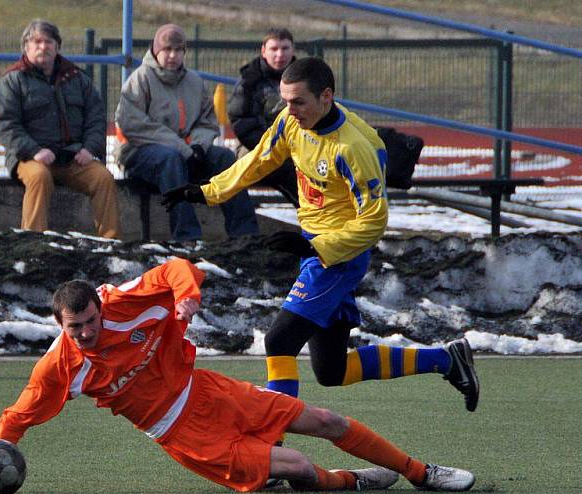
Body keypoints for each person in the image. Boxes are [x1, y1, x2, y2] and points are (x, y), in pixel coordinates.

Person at [0, 258, 475, 494]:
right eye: (72, 328)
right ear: (60, 325)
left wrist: (187, 295)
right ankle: (352, 482)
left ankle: (421, 473)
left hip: (207, 390)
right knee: (297, 463)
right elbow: (18, 415)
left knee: (325, 420)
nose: (83, 334)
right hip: (182, 434)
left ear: (101, 309)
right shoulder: (60, 365)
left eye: (89, 323)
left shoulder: (124, 303)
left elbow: (173, 269)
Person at [162, 57, 480, 412]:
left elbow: (373, 222)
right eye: (285, 101)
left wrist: (316, 245)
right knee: (332, 370)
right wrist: (208, 191)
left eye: (298, 101)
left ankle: (273, 445)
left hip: (339, 256)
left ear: (326, 97)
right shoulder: (292, 122)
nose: (289, 110)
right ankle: (446, 360)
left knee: (279, 340)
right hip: (315, 245)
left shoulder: (353, 149)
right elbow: (260, 160)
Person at [115, 24, 259, 242]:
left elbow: (207, 121)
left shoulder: (194, 81)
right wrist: (183, 148)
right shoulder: (140, 79)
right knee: (170, 159)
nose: (172, 55)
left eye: (178, 50)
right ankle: (187, 236)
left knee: (225, 158)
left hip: (188, 152)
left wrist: (199, 146)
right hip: (140, 154)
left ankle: (246, 233)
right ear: (155, 51)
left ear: (185, 52)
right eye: (167, 50)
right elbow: (133, 125)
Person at [0, 20, 121, 238]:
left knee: (103, 178)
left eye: (48, 41)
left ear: (57, 46)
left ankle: (111, 242)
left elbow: (96, 118)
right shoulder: (12, 81)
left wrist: (89, 148)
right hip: (29, 158)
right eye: (37, 42)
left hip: (73, 157)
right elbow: (6, 124)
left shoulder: (78, 79)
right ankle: (33, 240)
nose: (43, 47)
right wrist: (34, 151)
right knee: (39, 177)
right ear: (26, 47)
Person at [228, 28, 298, 206]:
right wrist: (276, 148)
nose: (280, 54)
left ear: (293, 50)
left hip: (300, 146)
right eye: (274, 49)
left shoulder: (305, 79)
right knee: (281, 169)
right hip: (255, 147)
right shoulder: (249, 81)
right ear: (263, 51)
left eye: (285, 48)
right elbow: (241, 123)